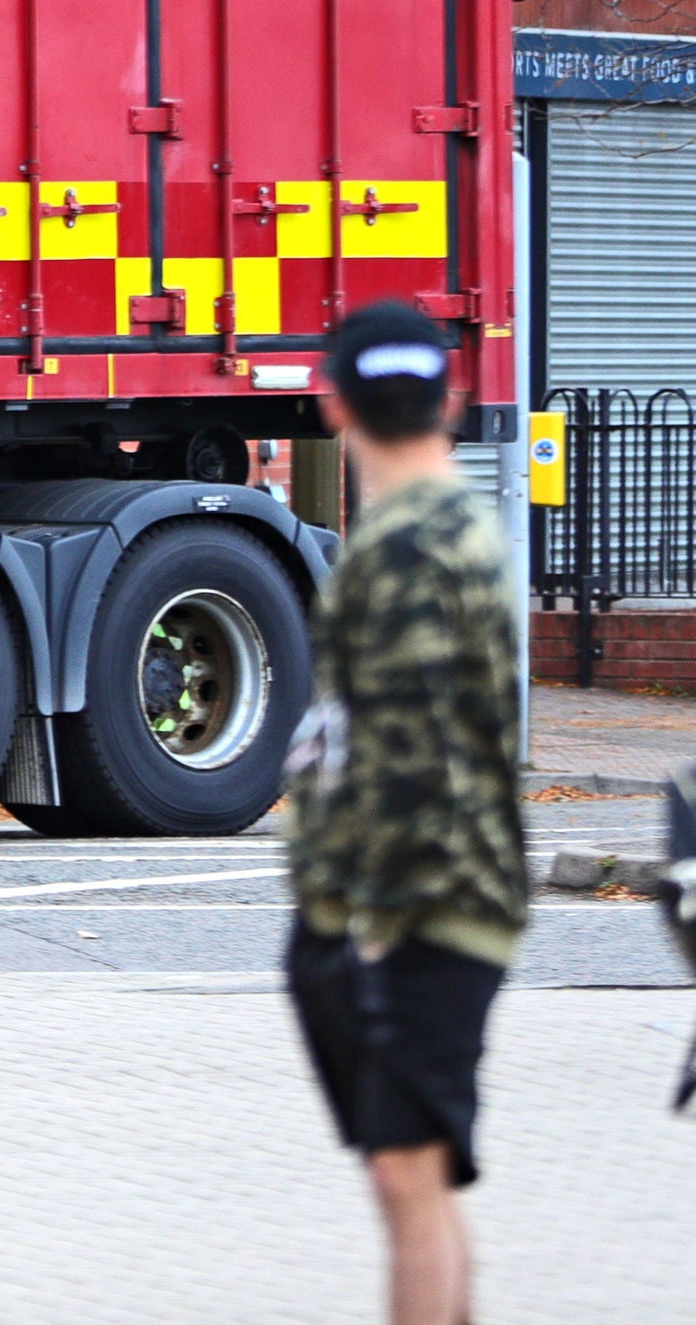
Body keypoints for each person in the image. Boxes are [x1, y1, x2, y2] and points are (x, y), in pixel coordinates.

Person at [283, 300, 526, 1325]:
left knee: (403, 1174)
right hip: (399, 900)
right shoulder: (435, 528)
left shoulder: (407, 549)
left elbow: (415, 756)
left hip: (417, 904)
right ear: (451, 395)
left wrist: (375, 924)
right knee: (410, 1171)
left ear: (331, 401)